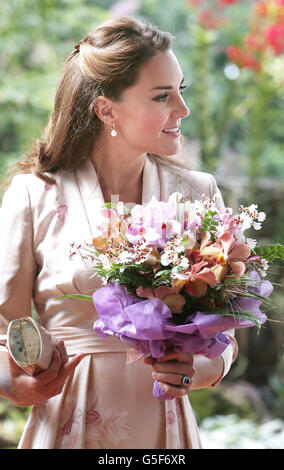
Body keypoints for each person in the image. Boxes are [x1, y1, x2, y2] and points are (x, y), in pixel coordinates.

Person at [0, 16, 238, 449]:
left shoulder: (199, 193)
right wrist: (14, 385)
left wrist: (193, 370)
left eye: (180, 91)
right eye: (162, 96)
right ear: (107, 108)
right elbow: (3, 327)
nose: (182, 110)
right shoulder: (34, 194)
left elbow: (225, 336)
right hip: (67, 417)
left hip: (163, 420)